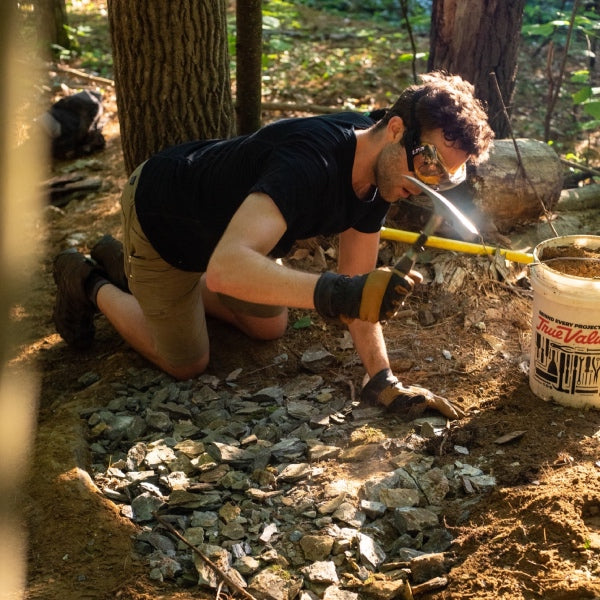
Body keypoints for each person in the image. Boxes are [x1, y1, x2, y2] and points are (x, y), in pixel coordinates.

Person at [52, 71, 493, 420]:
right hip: (163, 221)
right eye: (429, 162)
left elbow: (358, 289)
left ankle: (122, 263)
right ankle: (90, 280)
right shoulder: (310, 162)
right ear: (396, 128)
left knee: (270, 327)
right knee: (187, 362)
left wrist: (383, 379)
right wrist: (335, 292)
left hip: (231, 238)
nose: (426, 183)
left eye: (445, 178)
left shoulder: (382, 177)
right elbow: (227, 269)